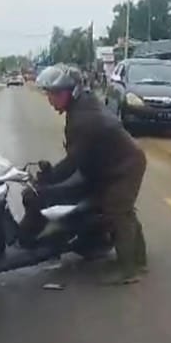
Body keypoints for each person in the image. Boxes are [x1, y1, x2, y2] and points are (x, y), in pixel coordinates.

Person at [33, 64, 148, 285]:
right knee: (123, 211)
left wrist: (48, 179)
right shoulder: (80, 107)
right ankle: (138, 260)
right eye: (49, 93)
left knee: (119, 211)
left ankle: (129, 269)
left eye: (56, 93)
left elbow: (73, 161)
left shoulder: (84, 118)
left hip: (125, 165)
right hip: (109, 164)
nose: (51, 99)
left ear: (71, 92)